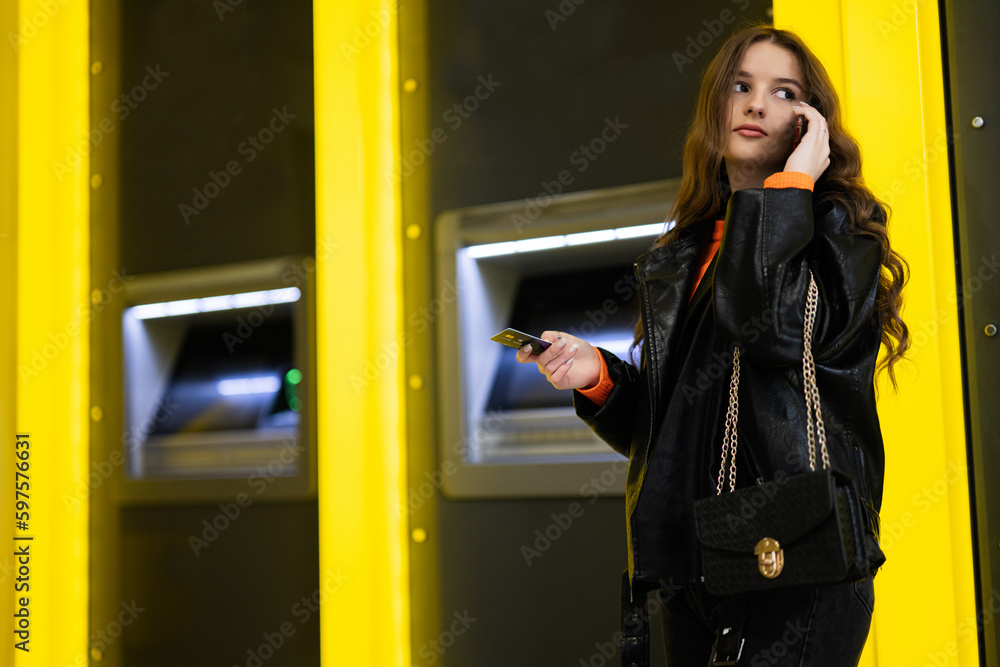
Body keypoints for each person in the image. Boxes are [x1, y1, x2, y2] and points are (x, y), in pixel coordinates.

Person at [515, 24, 909, 666]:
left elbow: (772, 332)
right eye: (740, 85)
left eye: (783, 92)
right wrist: (600, 379)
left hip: (794, 556)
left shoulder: (838, 237)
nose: (756, 103)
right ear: (714, 107)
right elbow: (684, 428)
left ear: (811, 124)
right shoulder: (693, 250)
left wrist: (793, 186)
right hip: (701, 562)